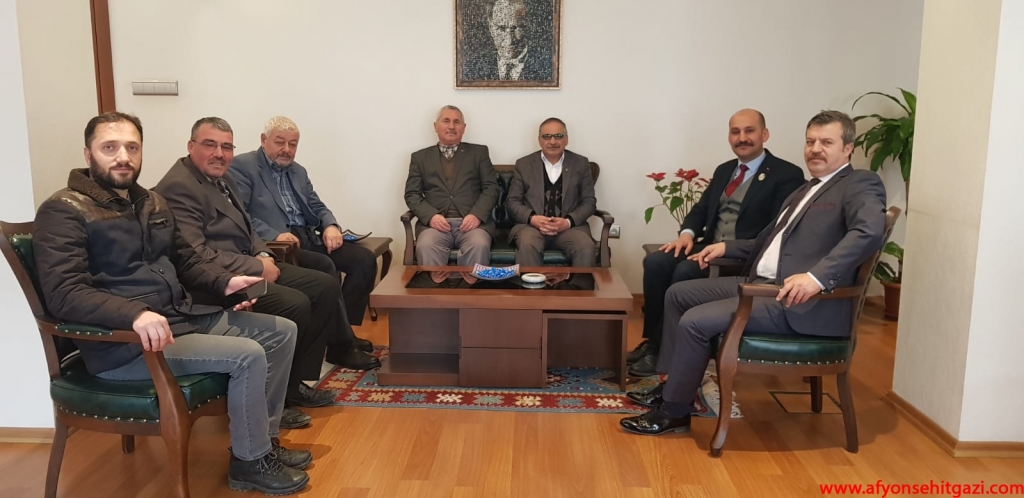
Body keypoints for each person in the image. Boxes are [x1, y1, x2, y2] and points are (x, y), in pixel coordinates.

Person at [34, 112, 309, 494]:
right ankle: (250, 464)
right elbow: (64, 293)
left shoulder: (150, 202)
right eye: (110, 147)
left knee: (281, 331)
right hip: (126, 344)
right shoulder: (64, 210)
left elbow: (187, 261)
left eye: (132, 147)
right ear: (88, 153)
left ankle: (263, 441)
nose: (123, 156)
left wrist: (226, 283)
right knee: (248, 355)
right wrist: (135, 314)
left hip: (178, 319)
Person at [620, 110, 887, 436]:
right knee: (678, 294)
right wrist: (725, 248)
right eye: (810, 142)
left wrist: (816, 278)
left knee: (695, 321)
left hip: (798, 301)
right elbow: (771, 241)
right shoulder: (809, 188)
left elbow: (868, 232)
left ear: (847, 148)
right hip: (762, 284)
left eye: (826, 142)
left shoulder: (859, 184)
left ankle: (674, 411)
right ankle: (672, 384)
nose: (815, 149)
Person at [154, 117, 379, 430]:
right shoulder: (180, 186)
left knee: (325, 286)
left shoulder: (222, 177)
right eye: (210, 145)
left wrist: (262, 253)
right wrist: (257, 266)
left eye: (226, 146)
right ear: (191, 146)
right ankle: (276, 399)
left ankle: (294, 383)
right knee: (296, 303)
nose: (219, 153)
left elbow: (247, 225)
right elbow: (197, 255)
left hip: (251, 260)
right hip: (220, 280)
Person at [630, 109, 804, 377]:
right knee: (656, 262)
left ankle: (667, 350)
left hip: (745, 256)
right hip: (711, 246)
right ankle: (654, 341)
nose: (742, 138)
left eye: (749, 131)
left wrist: (729, 248)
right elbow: (701, 209)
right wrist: (687, 234)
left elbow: (776, 231)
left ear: (764, 134)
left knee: (685, 271)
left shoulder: (786, 174)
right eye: (735, 132)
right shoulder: (725, 170)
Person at [230, 116, 378, 330]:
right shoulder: (243, 166)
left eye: (293, 144)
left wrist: (330, 226)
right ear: (263, 139)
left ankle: (342, 329)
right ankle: (340, 337)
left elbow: (317, 206)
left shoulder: (298, 171)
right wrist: (273, 235)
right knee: (324, 266)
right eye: (280, 142)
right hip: (279, 244)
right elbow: (239, 214)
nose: (286, 149)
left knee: (364, 260)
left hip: (308, 237)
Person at [404, 105, 499, 269]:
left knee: (479, 245)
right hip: (434, 225)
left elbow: (491, 188)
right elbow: (412, 194)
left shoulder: (479, 153)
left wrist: (476, 215)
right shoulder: (420, 157)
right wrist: (431, 216)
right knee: (426, 246)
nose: (451, 126)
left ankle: (470, 285)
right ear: (435, 126)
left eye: (457, 122)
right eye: (446, 121)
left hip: (472, 225)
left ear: (464, 127)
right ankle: (435, 285)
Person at [505, 117, 596, 267]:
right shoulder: (524, 164)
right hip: (531, 227)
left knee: (585, 246)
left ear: (566, 139)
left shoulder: (580, 163)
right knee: (528, 244)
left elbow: (589, 202)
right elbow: (512, 201)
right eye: (547, 136)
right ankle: (531, 284)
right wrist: (533, 219)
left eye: (558, 136)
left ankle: (577, 283)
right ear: (539, 140)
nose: (553, 141)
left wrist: (568, 222)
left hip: (569, 228)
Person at [461, 0, 553, 82]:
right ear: (491, 29)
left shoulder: (549, 68)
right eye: (501, 28)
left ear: (529, 27)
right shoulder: (471, 68)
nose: (509, 40)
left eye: (516, 28)